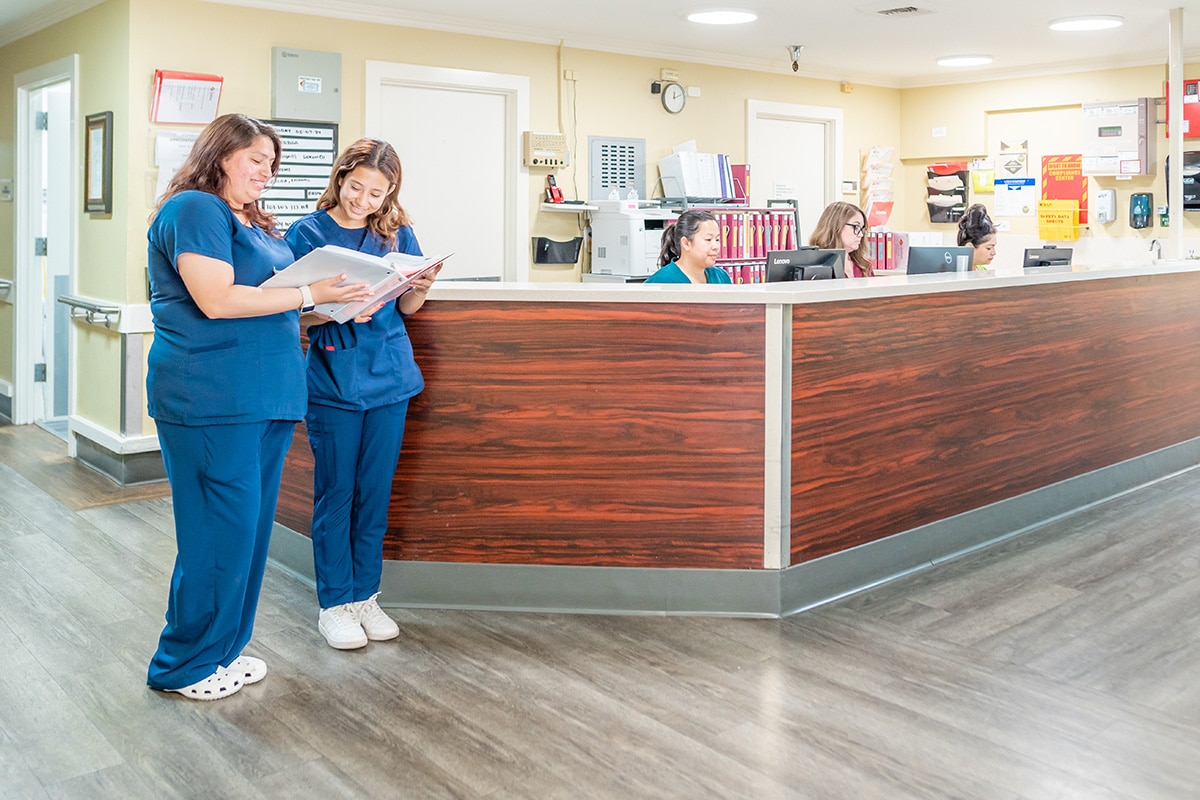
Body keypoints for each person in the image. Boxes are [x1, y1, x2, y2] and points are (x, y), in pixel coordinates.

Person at [145, 114, 369, 700]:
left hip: (265, 398)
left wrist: (331, 306)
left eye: (273, 163)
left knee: (244, 537)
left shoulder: (252, 223)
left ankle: (221, 652)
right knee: (217, 536)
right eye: (256, 160)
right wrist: (307, 293)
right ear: (220, 156)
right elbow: (216, 300)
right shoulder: (194, 209)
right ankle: (183, 665)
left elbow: (273, 306)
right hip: (212, 398)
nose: (267, 172)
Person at [284, 139, 441, 650]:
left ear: (390, 192)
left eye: (376, 193)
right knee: (338, 493)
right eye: (356, 187)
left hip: (390, 376)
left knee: (374, 492)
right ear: (341, 177)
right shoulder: (307, 232)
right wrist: (332, 306)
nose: (363, 201)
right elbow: (288, 311)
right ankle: (335, 604)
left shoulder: (396, 232)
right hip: (334, 378)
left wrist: (423, 282)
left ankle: (364, 596)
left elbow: (411, 307)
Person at [644, 209, 732, 284]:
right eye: (708, 239)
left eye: (717, 240)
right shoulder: (661, 281)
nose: (715, 246)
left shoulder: (721, 277)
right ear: (686, 243)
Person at [809, 201, 873, 277]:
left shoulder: (864, 266)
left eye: (862, 229)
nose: (861, 235)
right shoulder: (816, 265)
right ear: (836, 226)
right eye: (856, 227)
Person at [957, 203, 997, 268]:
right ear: (969, 248)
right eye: (989, 248)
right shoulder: (953, 275)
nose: (994, 253)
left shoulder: (982, 271)